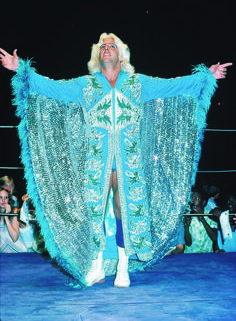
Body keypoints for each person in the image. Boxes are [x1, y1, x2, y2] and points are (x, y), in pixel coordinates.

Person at [0, 33, 232, 288]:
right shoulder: (85, 85)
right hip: (96, 162)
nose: (106, 49)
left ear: (121, 55)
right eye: (103, 46)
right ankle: (96, 266)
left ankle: (123, 266)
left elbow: (173, 85)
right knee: (94, 212)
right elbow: (51, 87)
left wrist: (207, 76)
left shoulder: (137, 83)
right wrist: (20, 69)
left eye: (112, 46)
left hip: (128, 160)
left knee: (124, 210)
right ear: (97, 55)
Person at [0, 186, 28, 252]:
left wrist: (6, 216)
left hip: (19, 253)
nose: (3, 200)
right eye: (0, 197)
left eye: (6, 197)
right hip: (4, 255)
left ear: (8, 200)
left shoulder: (14, 211)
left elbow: (14, 238)